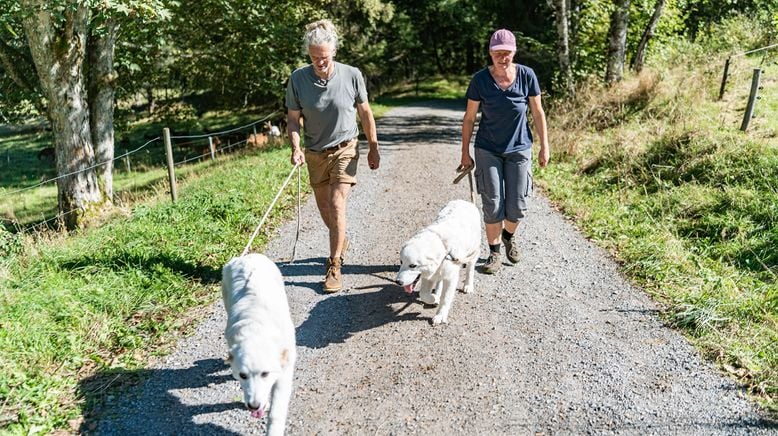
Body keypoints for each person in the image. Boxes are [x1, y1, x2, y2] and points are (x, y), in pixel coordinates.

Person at [286, 19, 380, 293]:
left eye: (324, 57)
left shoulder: (352, 75)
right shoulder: (297, 79)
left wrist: (373, 146)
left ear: (334, 53)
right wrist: (295, 147)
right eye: (315, 58)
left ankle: (334, 265)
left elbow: (365, 112)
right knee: (326, 210)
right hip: (315, 153)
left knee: (337, 205)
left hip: (345, 148)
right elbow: (293, 119)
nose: (320, 63)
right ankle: (340, 240)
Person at [460, 28, 549, 274]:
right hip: (488, 148)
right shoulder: (480, 80)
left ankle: (508, 236)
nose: (503, 57)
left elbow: (538, 113)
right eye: (498, 53)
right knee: (492, 202)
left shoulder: (527, 76)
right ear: (490, 53)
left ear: (514, 52)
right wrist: (464, 152)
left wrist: (545, 146)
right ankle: (494, 253)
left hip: (520, 148)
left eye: (507, 53)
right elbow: (469, 118)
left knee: (518, 205)